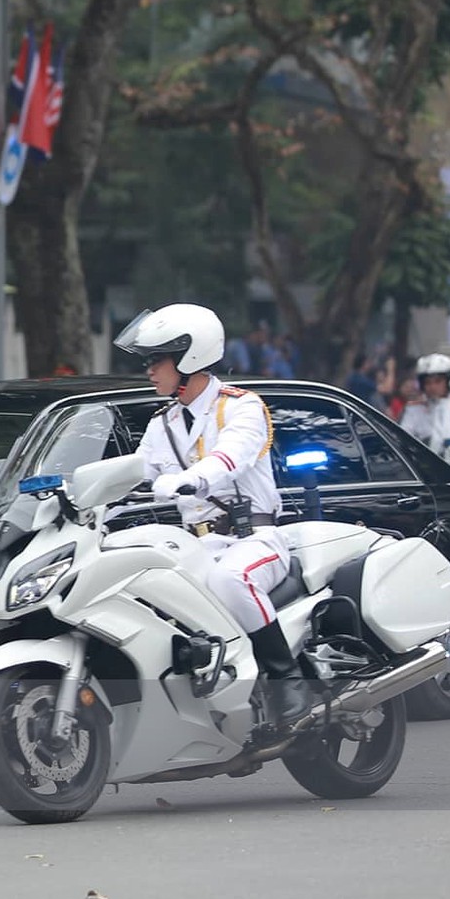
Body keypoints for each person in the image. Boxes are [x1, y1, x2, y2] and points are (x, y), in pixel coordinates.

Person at [116, 304, 303, 729]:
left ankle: (287, 676)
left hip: (252, 539)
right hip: (195, 545)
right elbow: (129, 473)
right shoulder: (161, 425)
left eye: (156, 360)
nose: (149, 370)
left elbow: (229, 458)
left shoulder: (241, 408)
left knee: (229, 579)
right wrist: (70, 491)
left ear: (189, 358)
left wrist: (190, 480)